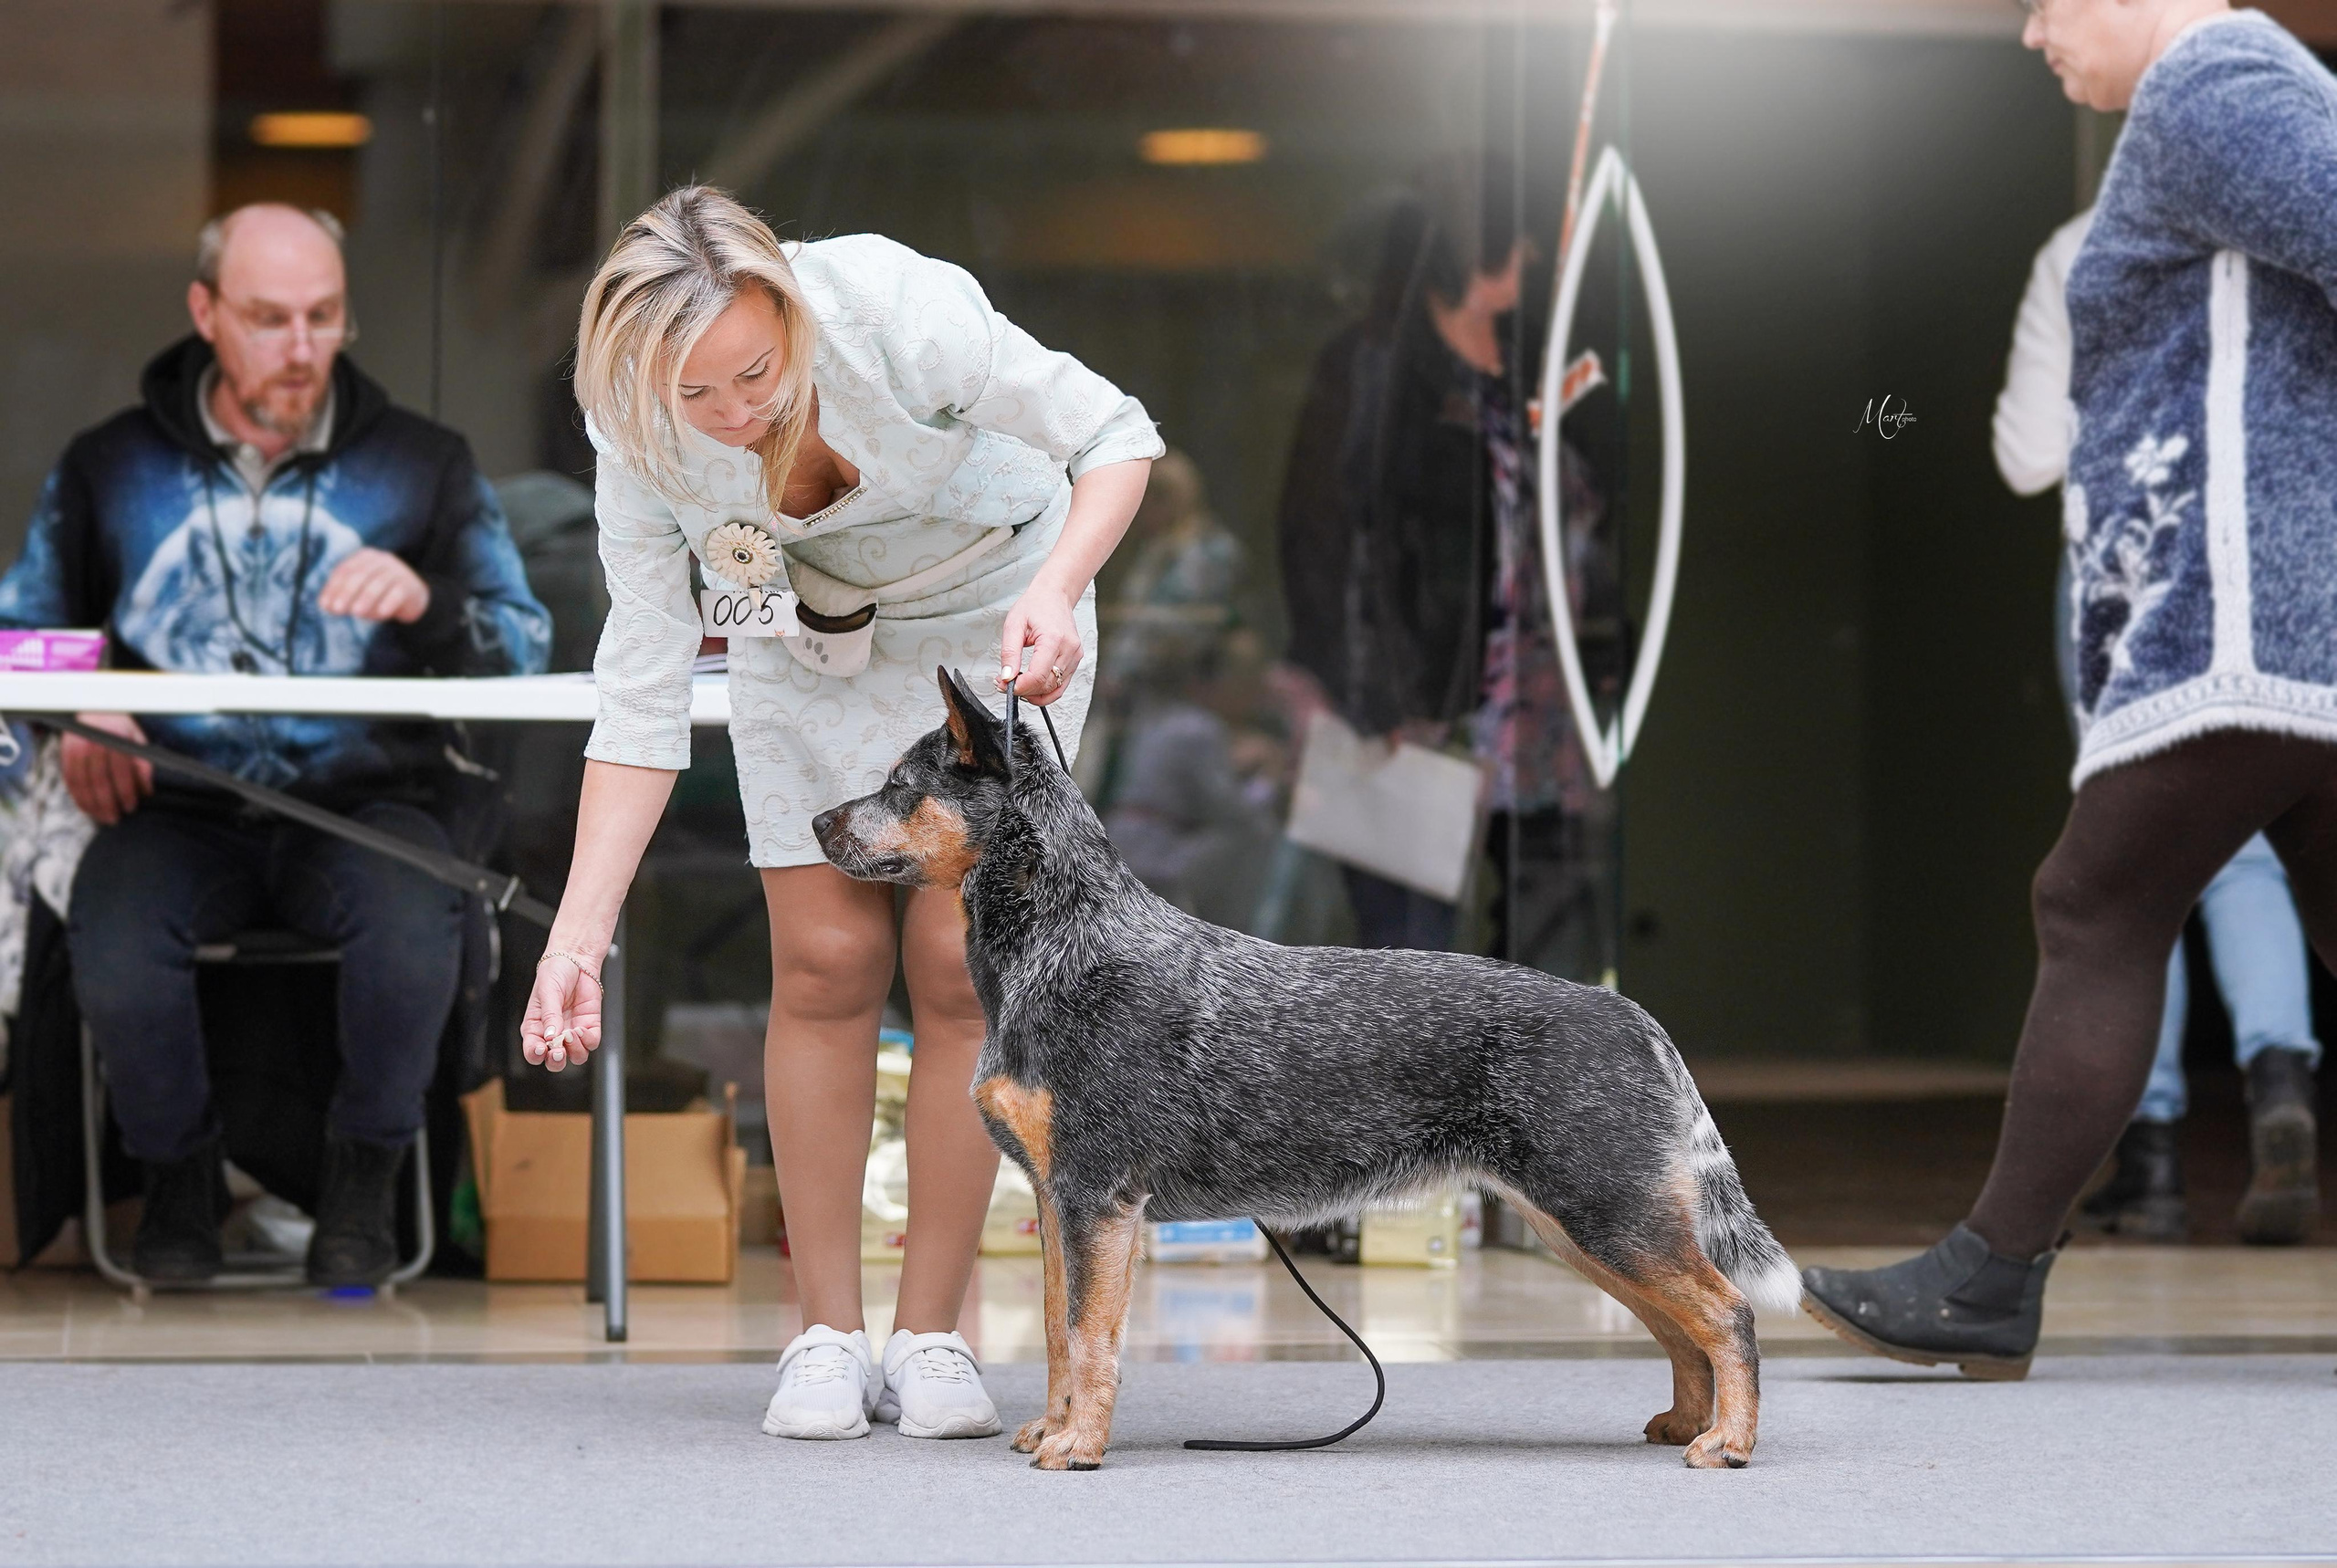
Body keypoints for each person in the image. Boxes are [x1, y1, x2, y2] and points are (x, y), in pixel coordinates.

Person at [523, 189, 1158, 1442]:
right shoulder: (632, 425)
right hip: (805, 649)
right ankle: (823, 1331)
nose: (732, 412)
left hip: (997, 619)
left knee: (955, 970)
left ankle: (933, 1333)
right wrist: (574, 939)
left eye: (754, 372)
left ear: (789, 310)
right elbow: (643, 687)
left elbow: (1115, 435)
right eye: (693, 395)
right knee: (822, 960)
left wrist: (1060, 589)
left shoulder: (886, 307)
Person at [1805, 0, 2337, 1374]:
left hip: (2245, 609)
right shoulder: (2232, 88)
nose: (2035, 32)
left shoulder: (2208, 77)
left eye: (2050, 0)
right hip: (2279, 600)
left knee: (2094, 900)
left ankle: (1989, 1276)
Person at [0, 204, 551, 1285]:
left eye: (323, 317)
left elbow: (524, 641)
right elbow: (21, 632)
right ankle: (179, 1184)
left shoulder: (422, 463)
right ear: (205, 313)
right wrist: (87, 701)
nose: (301, 348)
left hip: (367, 800)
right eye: (268, 318)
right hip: (172, 804)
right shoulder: (108, 465)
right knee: (112, 937)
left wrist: (430, 603)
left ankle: (362, 1190)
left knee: (413, 925)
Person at [1994, 207, 2323, 1244]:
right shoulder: (2280, 228)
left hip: (2126, 572)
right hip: (2273, 569)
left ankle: (2153, 1157)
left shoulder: (2075, 244)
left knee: (2128, 868)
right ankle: (2281, 1084)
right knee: (2254, 857)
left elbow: (2026, 454)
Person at [1280, 154, 1604, 960]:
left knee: (1544, 955)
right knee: (1410, 959)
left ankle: (1525, 1091)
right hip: (1420, 709)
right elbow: (1326, 537)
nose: (1531, 259)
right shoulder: (1376, 368)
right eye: (1517, 241)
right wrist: (1375, 695)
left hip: (1542, 710)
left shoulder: (1534, 363)